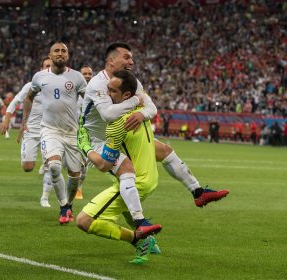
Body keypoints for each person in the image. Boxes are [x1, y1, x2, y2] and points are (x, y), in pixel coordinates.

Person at [82, 42, 229, 214]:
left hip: (123, 135)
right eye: (126, 57)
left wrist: (141, 114)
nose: (131, 62)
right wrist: (136, 101)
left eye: (132, 58)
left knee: (165, 150)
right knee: (127, 175)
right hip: (99, 140)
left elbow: (152, 108)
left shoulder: (131, 81)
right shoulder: (97, 83)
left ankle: (198, 192)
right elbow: (108, 114)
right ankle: (137, 223)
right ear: (111, 60)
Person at [77, 70, 162, 264]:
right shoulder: (142, 113)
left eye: (112, 91)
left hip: (135, 182)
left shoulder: (116, 124)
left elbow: (103, 164)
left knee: (84, 221)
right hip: (150, 179)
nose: (107, 95)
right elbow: (152, 110)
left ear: (126, 95)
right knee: (123, 207)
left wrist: (85, 146)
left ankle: (138, 235)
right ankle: (144, 234)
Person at [23, 42, 86, 224]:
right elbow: (29, 97)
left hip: (72, 132)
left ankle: (69, 204)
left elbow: (88, 101)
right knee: (54, 167)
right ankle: (64, 207)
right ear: (50, 55)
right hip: (50, 130)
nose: (60, 53)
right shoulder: (39, 77)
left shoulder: (77, 77)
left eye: (64, 51)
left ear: (68, 55)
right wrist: (24, 122)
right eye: (56, 51)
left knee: (75, 176)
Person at [0, 57, 53, 208]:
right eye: (46, 66)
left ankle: (45, 198)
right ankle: (42, 160)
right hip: (30, 130)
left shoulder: (59, 87)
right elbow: (16, 101)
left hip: (49, 131)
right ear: (41, 68)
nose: (49, 68)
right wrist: (6, 119)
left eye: (51, 66)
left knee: (52, 165)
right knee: (28, 167)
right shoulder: (31, 85)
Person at [75, 65, 94, 200]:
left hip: (86, 132)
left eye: (89, 74)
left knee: (83, 163)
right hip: (71, 130)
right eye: (84, 73)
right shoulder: (73, 91)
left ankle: (79, 188)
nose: (87, 76)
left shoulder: (95, 91)